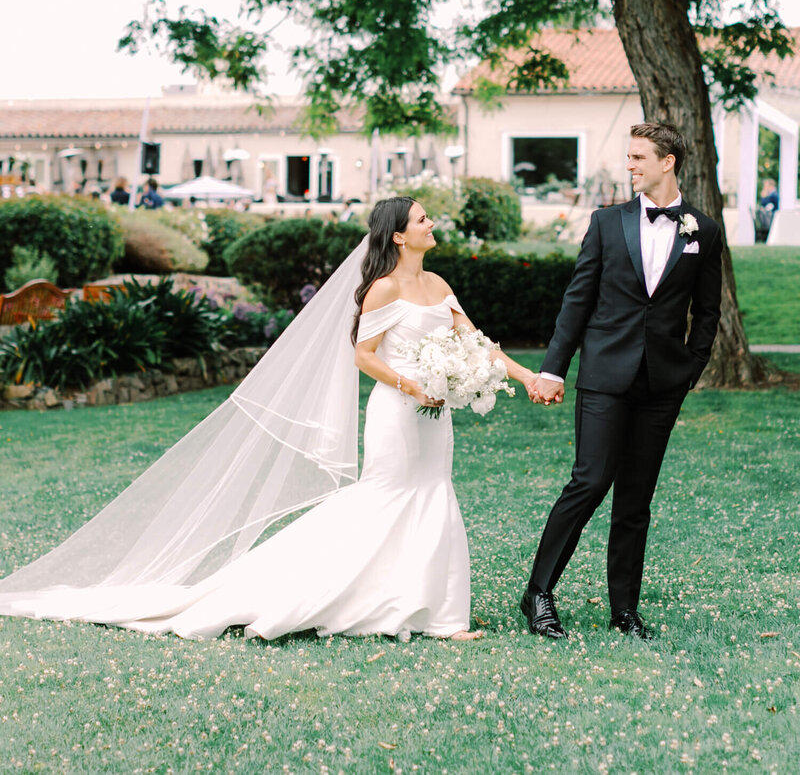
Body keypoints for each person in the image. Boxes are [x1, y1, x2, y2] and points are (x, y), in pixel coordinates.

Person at [0, 197, 536, 642]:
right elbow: (363, 355)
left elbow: (477, 344)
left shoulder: (439, 285)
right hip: (398, 411)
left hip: (434, 416)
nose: (431, 223)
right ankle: (315, 591)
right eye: (422, 219)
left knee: (433, 495)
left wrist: (527, 376)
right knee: (387, 498)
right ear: (398, 236)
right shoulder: (384, 288)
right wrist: (411, 383)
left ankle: (437, 614)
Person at [521, 122, 722, 641]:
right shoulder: (607, 223)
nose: (629, 165)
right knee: (589, 481)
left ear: (668, 161)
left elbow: (708, 312)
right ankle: (538, 594)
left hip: (662, 384)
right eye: (629, 156)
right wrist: (552, 367)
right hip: (605, 376)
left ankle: (624, 609)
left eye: (638, 157)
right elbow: (577, 299)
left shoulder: (703, 229)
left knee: (637, 498)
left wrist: (689, 369)